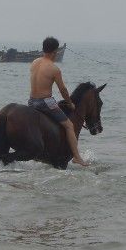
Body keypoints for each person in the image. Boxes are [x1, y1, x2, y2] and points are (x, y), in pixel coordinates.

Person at [28, 37, 88, 166]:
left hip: (32, 102)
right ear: (55, 52)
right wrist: (70, 103)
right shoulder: (54, 69)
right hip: (45, 103)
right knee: (69, 126)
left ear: (44, 49)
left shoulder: (34, 62)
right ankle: (77, 157)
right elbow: (63, 90)